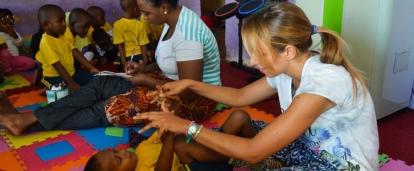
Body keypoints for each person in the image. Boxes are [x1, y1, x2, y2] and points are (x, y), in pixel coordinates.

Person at [135, 2, 379, 170]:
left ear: (288, 51)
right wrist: (190, 84)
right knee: (237, 128)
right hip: (306, 146)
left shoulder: (325, 81)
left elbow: (254, 150)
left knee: (249, 148)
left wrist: (185, 126)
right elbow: (240, 96)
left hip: (337, 165)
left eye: (258, 53)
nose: (252, 61)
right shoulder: (288, 67)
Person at [0, 0, 221, 136]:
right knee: (101, 83)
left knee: (110, 106)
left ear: (163, 7)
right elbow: (172, 63)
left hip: (194, 101)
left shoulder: (187, 34)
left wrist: (146, 81)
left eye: (146, 12)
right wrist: (143, 67)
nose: (143, 17)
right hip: (165, 81)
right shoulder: (171, 20)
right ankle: (27, 119)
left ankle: (26, 122)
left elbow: (191, 91)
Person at [84, 111, 255, 171]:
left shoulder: (142, 147)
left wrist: (168, 115)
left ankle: (257, 156)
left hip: (209, 153)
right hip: (201, 166)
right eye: (119, 160)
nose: (123, 152)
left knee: (239, 117)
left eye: (115, 150)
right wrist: (169, 141)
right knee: (179, 145)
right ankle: (239, 157)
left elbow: (162, 132)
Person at [34, 5, 98, 91]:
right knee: (66, 91)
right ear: (46, 25)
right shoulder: (46, 42)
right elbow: (58, 65)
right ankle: (46, 85)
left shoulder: (63, 36)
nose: (64, 24)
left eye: (64, 20)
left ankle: (52, 87)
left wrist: (91, 68)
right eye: (59, 21)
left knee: (94, 79)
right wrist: (71, 83)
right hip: (53, 76)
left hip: (71, 73)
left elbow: (75, 52)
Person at [113, 0, 149, 69]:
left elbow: (120, 46)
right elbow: (143, 45)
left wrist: (124, 64)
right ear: (135, 9)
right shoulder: (140, 24)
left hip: (124, 58)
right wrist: (145, 61)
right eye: (139, 8)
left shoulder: (117, 25)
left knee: (117, 64)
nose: (141, 11)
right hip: (138, 56)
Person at [0, 9, 36, 74]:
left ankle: (12, 71)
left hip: (14, 58)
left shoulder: (13, 33)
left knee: (32, 63)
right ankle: (6, 70)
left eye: (10, 23)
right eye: (4, 23)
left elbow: (20, 44)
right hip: (2, 61)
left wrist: (15, 36)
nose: (8, 25)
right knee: (5, 53)